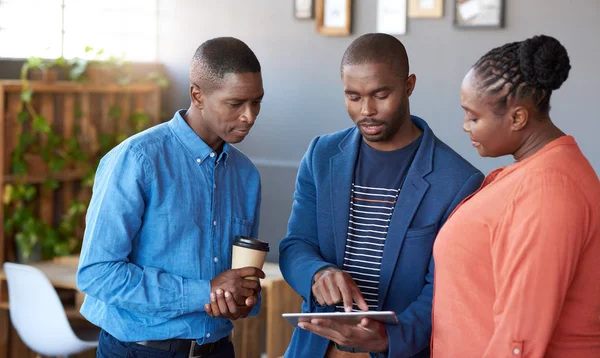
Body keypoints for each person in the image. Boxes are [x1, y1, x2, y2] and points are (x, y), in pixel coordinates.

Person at [279, 33, 484, 358]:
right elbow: (296, 245)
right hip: (313, 350)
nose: (366, 111)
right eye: (353, 96)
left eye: (380, 95)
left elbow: (444, 292)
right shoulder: (321, 154)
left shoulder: (458, 181)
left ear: (409, 85)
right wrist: (319, 272)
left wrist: (389, 339)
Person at [77, 37, 266, 358]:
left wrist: (244, 299)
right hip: (138, 351)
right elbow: (98, 273)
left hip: (218, 350)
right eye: (236, 104)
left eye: (257, 102)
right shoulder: (137, 160)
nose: (249, 116)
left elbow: (239, 275)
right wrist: (204, 292)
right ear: (197, 95)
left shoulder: (246, 175)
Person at [431, 35, 600, 357]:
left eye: (473, 116)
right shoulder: (537, 173)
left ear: (518, 117)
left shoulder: (551, 189)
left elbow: (519, 339)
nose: (465, 126)